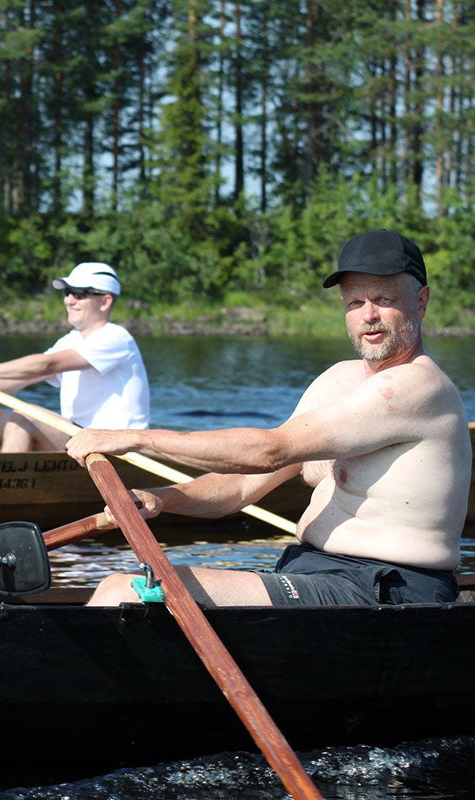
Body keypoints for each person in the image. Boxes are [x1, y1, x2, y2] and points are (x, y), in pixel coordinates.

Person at [67, 229, 471, 607]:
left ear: (420, 301)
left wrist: (136, 439)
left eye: (384, 299)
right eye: (354, 302)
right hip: (314, 571)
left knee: (125, 590)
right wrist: (163, 500)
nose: (368, 315)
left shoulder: (418, 388)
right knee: (119, 586)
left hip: (387, 590)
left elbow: (267, 452)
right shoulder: (338, 379)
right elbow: (243, 483)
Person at [0, 262, 150, 452]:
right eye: (67, 292)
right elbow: (24, 376)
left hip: (118, 448)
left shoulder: (116, 337)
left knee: (26, 415)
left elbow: (47, 365)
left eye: (79, 293)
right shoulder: (72, 340)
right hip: (82, 439)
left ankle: (8, 491)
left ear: (105, 301)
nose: (69, 300)